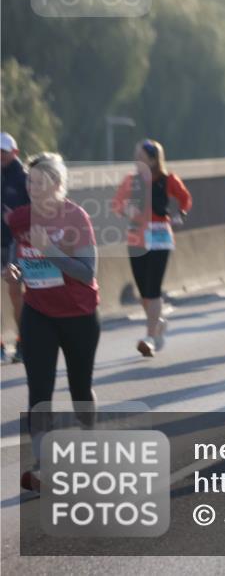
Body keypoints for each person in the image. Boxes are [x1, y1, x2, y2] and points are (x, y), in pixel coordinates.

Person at [4, 153, 100, 494]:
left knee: (79, 390)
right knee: (39, 391)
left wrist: (52, 252)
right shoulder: (21, 217)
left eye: (41, 183)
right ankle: (44, 465)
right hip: (38, 311)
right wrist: (12, 269)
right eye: (30, 182)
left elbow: (88, 272)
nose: (33, 189)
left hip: (78, 314)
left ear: (58, 186)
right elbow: (18, 249)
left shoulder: (76, 217)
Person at [112, 140, 192, 357]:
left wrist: (180, 214)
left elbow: (185, 199)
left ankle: (149, 337)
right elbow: (116, 204)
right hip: (136, 239)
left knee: (153, 288)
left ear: (153, 159)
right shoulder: (130, 181)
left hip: (159, 237)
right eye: (135, 155)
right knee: (143, 292)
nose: (136, 159)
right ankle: (158, 323)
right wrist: (125, 209)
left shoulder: (168, 180)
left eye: (141, 156)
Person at [2, 133, 29, 364]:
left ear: (15, 152)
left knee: (15, 292)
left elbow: (36, 211)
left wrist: (16, 219)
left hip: (16, 242)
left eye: (3, 151)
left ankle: (23, 341)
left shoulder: (25, 178)